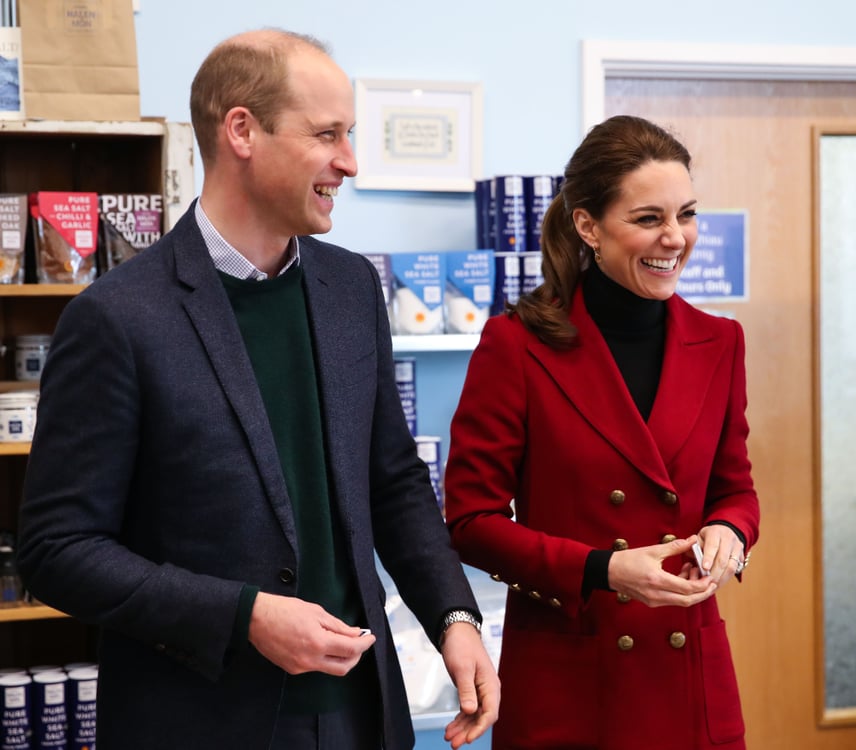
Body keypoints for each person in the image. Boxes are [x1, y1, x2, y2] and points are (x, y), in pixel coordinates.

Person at [16, 29, 498, 750]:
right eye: (328, 134)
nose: (350, 162)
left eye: (352, 135)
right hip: (196, 721)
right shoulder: (115, 318)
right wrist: (243, 615)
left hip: (360, 713)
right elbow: (58, 550)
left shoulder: (351, 288)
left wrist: (453, 618)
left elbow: (393, 482)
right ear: (241, 130)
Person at [444, 114, 759, 749]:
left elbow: (736, 490)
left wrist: (730, 531)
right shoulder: (518, 346)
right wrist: (602, 570)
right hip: (573, 684)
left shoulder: (721, 341)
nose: (675, 238)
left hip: (688, 680)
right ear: (588, 225)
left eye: (687, 214)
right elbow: (470, 522)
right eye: (648, 219)